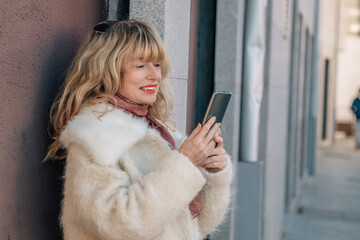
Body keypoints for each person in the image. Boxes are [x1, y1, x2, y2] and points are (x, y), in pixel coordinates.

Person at [44, 20, 232, 240]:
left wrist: (214, 172)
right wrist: (186, 162)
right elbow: (121, 224)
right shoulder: (95, 138)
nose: (155, 75)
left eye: (157, 64)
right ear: (109, 70)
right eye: (141, 65)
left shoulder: (159, 135)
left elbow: (198, 226)